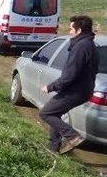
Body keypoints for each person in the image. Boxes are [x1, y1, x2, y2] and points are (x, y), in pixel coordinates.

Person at [40, 15, 99, 154]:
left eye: (71, 28)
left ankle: (73, 137)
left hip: (75, 91)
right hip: (83, 89)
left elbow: (70, 75)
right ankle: (54, 149)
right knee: (55, 113)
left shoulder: (81, 46)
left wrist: (50, 87)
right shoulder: (90, 45)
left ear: (79, 30)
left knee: (46, 113)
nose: (69, 31)